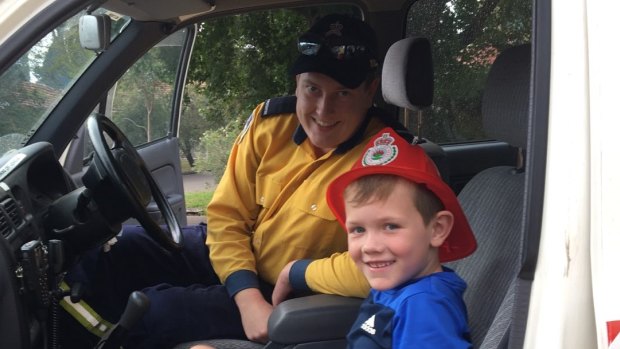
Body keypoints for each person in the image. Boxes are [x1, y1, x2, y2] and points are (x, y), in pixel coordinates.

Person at [61, 13, 412, 349]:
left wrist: (299, 273)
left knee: (153, 312)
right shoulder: (270, 124)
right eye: (313, 89)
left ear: (370, 90)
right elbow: (228, 216)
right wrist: (245, 295)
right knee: (120, 250)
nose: (322, 110)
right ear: (297, 84)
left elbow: (390, 262)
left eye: (343, 94)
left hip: (292, 295)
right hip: (241, 260)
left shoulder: (389, 161)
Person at [324, 128, 477, 348]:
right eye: (358, 230)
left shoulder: (423, 306)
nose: (370, 246)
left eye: (390, 226)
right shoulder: (397, 285)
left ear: (437, 229)